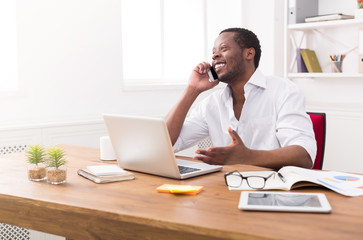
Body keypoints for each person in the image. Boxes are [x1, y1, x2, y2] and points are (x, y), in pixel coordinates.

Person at [166, 28, 316, 169]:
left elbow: (304, 156)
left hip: (273, 189)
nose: (214, 55)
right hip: (224, 188)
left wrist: (248, 157)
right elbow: (165, 144)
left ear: (249, 54)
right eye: (213, 52)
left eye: (223, 49)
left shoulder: (284, 90)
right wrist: (192, 89)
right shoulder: (211, 104)